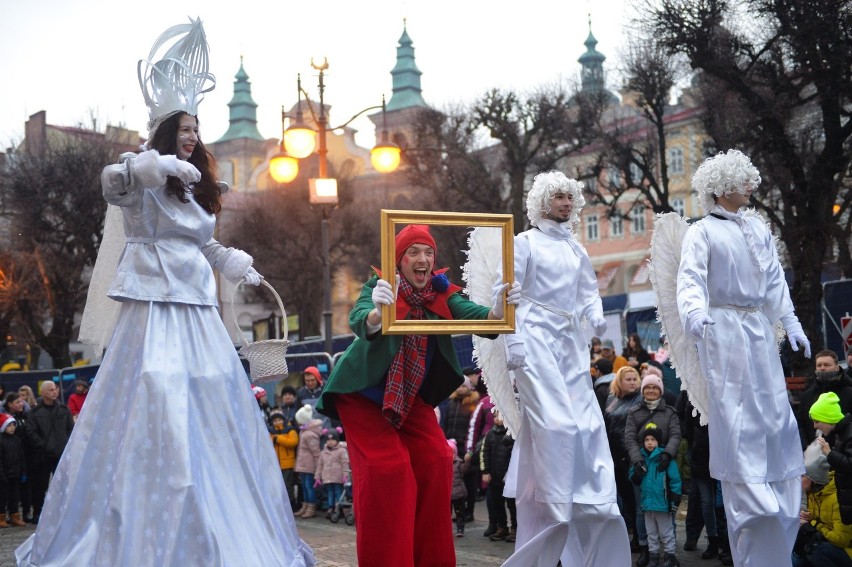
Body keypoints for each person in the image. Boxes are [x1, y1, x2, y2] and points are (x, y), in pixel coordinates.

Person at [15, 19, 314, 566]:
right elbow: (113, 182)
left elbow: (203, 246)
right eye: (184, 127)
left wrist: (235, 264)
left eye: (197, 128)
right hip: (153, 309)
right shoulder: (142, 182)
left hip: (198, 310)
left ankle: (224, 515)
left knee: (210, 392)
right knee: (154, 389)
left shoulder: (196, 190)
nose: (194, 136)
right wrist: (151, 166)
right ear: (164, 130)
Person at [315, 223, 519, 566]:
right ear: (399, 260)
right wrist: (379, 312)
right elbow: (360, 318)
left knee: (438, 461)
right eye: (413, 252)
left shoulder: (442, 293)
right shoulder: (382, 286)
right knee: (389, 471)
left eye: (428, 252)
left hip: (409, 399)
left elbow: (475, 317)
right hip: (362, 396)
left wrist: (498, 311)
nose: (422, 258)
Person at [674, 149, 810, 566]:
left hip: (757, 330)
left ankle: (780, 489)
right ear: (721, 187)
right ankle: (750, 498)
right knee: (736, 414)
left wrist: (792, 324)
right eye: (742, 180)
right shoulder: (702, 232)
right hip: (723, 329)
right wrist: (695, 314)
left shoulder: (757, 228)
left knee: (773, 411)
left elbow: (775, 284)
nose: (751, 186)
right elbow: (691, 278)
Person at [500, 171, 630, 566]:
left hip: (570, 343)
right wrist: (514, 337)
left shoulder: (576, 249)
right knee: (557, 423)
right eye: (558, 196)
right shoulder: (524, 243)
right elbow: (509, 294)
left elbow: (588, 290)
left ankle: (585, 492)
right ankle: (555, 499)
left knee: (587, 423)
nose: (566, 203)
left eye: (570, 197)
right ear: (542, 201)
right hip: (537, 336)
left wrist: (595, 315)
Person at [624, 373, 681, 566]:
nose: (650, 390)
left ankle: (669, 553)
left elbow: (675, 435)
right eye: (647, 387)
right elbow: (630, 438)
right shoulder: (634, 412)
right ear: (643, 391)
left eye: (654, 387)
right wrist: (637, 460)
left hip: (663, 465)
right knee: (642, 510)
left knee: (665, 510)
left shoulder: (670, 412)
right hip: (642, 465)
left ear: (660, 391)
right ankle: (646, 549)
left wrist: (667, 454)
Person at [603, 365, 644, 550]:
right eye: (628, 379)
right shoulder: (612, 398)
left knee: (636, 500)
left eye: (635, 379)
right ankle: (631, 533)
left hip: (632, 456)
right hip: (614, 456)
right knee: (626, 498)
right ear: (620, 381)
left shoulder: (641, 399)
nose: (633, 382)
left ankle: (640, 537)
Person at [630, 424, 682, 567]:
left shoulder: (665, 459)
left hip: (662, 504)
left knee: (666, 533)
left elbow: (675, 480)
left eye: (653, 439)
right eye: (647, 439)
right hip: (647, 504)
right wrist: (636, 474)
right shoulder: (641, 459)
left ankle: (670, 556)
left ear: (658, 441)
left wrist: (675, 499)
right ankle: (653, 556)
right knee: (651, 533)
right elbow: (632, 475)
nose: (650, 442)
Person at [793, 448, 852, 566]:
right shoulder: (813, 494)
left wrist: (813, 523)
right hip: (826, 542)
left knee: (815, 550)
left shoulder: (837, 499)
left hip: (846, 551)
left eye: (803, 476)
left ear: (814, 479)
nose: (799, 480)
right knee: (797, 551)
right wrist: (811, 517)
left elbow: (841, 539)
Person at [25, 381, 73, 525]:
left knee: (63, 485)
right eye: (51, 390)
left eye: (56, 389)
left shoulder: (64, 410)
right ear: (43, 392)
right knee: (40, 486)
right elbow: (30, 432)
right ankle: (37, 512)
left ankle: (63, 512)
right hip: (42, 455)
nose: (55, 392)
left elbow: (70, 430)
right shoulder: (35, 412)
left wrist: (65, 445)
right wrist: (43, 446)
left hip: (60, 454)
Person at [442, 378, 480, 523]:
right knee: (455, 481)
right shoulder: (451, 403)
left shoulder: (474, 403)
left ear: (470, 388)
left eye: (464, 386)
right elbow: (446, 423)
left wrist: (470, 447)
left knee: (469, 481)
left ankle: (469, 511)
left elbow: (474, 426)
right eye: (458, 386)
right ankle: (458, 511)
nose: (460, 389)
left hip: (466, 447)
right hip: (452, 447)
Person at [798, 350, 852, 449]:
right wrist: (806, 447)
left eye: (826, 365)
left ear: (837, 367)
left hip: (844, 454)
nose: (822, 368)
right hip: (813, 453)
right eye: (819, 365)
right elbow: (801, 424)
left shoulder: (849, 392)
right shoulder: (808, 395)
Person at [812, 392, 852, 525]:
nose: (815, 426)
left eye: (817, 421)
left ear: (828, 418)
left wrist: (830, 454)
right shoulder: (841, 432)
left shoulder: (848, 433)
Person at [480, 410, 516, 543]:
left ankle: (515, 528)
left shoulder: (512, 434)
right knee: (497, 504)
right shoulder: (490, 434)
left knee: (512, 505)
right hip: (494, 476)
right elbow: (485, 453)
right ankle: (502, 527)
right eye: (495, 416)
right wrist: (485, 471)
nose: (497, 419)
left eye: (500, 416)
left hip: (508, 476)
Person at [3, 393, 33, 523]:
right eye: (17, 402)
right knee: (6, 493)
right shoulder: (5, 420)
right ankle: (4, 515)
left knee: (22, 490)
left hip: (23, 459)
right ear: (9, 404)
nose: (21, 404)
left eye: (21, 402)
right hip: (8, 464)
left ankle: (21, 513)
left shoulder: (25, 417)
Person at [294, 404, 322, 520]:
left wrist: (317, 469)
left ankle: (311, 507)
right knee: (305, 487)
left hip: (309, 466)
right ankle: (305, 505)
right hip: (303, 465)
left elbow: (316, 453)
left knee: (309, 486)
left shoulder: (309, 434)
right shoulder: (303, 432)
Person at [314, 429, 349, 521]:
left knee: (338, 492)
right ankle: (331, 508)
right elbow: (320, 465)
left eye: (333, 440)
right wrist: (317, 477)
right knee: (330, 493)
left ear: (337, 440)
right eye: (328, 440)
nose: (330, 442)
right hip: (327, 477)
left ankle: (341, 508)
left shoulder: (341, 451)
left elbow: (345, 463)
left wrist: (345, 475)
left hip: (338, 477)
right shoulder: (323, 452)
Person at [269, 409, 299, 510]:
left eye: (279, 420)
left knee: (288, 485)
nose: (277, 422)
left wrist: (278, 438)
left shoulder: (290, 429)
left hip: (288, 463)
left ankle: (291, 504)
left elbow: (293, 442)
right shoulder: (270, 431)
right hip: (275, 464)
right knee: (278, 485)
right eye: (275, 421)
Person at [0, 414, 26, 527]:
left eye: (13, 425)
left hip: (15, 473)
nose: (12, 428)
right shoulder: (1, 440)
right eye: (9, 425)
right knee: (2, 497)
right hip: (4, 474)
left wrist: (23, 471)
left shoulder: (16, 440)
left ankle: (14, 515)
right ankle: (1, 516)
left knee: (14, 497)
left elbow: (21, 456)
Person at [449, 438, 470, 538]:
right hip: (448, 494)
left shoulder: (458, 463)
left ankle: (460, 528)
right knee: (447, 513)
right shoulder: (444, 463)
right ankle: (447, 528)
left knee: (460, 513)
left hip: (459, 493)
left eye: (452, 453)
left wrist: (467, 461)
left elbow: (465, 470)